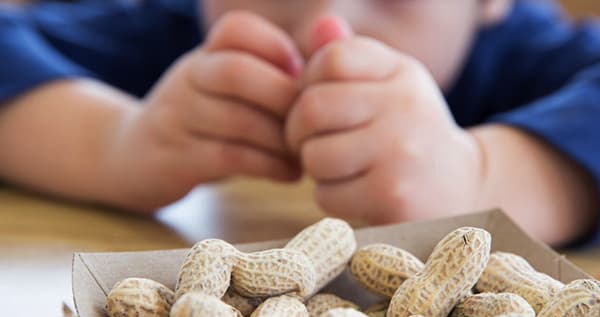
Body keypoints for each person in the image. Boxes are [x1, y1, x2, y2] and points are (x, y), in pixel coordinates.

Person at [0, 0, 599, 246]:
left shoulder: (529, 55)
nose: (325, 24)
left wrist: (486, 177)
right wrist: (110, 142)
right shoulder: (168, 34)